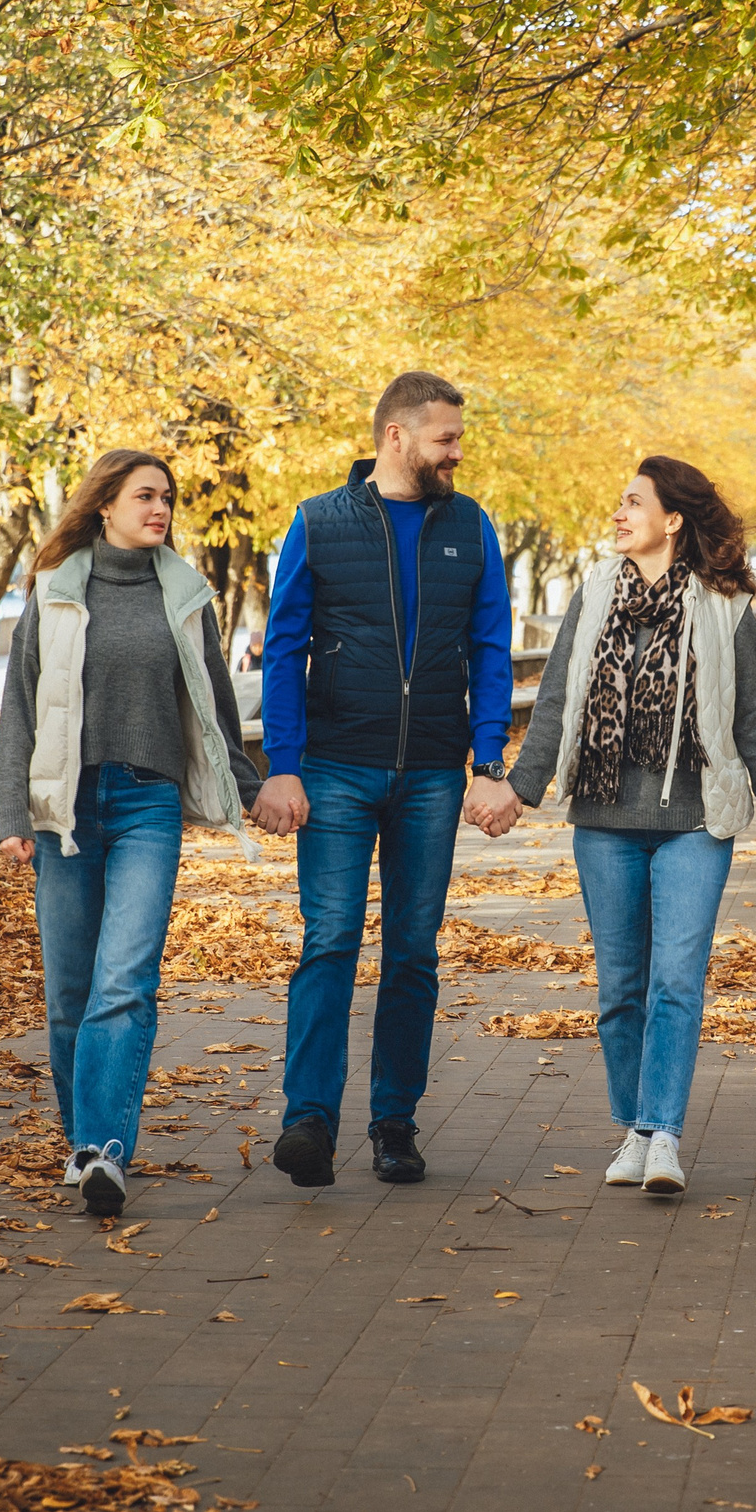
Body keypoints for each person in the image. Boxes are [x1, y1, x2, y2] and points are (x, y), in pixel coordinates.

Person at [506, 458, 756, 1195]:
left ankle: (663, 1133)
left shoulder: (726, 608)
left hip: (695, 822)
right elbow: (556, 703)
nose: (618, 514)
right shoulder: (594, 595)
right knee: (621, 988)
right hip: (603, 820)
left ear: (672, 520)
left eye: (633, 503)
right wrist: (517, 789)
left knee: (676, 979)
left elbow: (754, 720)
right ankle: (636, 1126)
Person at [253, 372, 519, 1189]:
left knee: (411, 951)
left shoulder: (470, 526)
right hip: (335, 767)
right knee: (330, 939)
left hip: (433, 772)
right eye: (446, 438)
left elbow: (491, 647)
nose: (458, 452)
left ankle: (395, 1123)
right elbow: (284, 646)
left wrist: (487, 762)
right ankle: (309, 1120)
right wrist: (284, 765)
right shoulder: (319, 521)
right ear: (396, 436)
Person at [0, 449, 260, 1218]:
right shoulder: (55, 588)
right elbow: (19, 707)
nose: (161, 508)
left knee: (126, 980)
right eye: (145, 495)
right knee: (69, 993)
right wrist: (13, 814)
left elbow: (214, 706)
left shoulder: (185, 592)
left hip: (149, 804)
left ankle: (103, 1148)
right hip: (66, 810)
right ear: (104, 504)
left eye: (167, 497)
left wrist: (252, 789)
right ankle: (82, 1141)